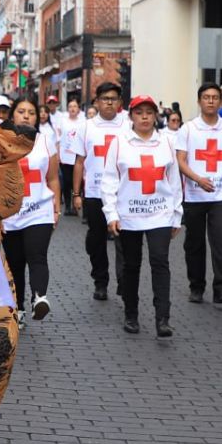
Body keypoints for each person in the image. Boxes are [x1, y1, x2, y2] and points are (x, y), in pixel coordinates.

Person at [101, 95, 183, 338]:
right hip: (129, 215)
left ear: (156, 115)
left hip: (160, 213)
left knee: (160, 262)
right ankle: (131, 313)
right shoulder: (119, 142)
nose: (145, 117)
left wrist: (176, 215)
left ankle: (163, 318)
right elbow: (109, 180)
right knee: (131, 265)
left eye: (149, 112)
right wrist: (111, 214)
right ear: (131, 116)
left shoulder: (167, 142)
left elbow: (174, 181)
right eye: (139, 112)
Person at [176, 83, 222, 304]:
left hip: (221, 196)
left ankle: (221, 286)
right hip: (194, 195)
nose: (210, 101)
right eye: (206, 97)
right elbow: (180, 161)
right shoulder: (188, 129)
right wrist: (197, 179)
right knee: (194, 243)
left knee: (221, 241)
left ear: (221, 101)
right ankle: (196, 286)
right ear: (199, 101)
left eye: (215, 97)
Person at [2, 98, 61, 328]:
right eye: (21, 111)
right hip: (11, 214)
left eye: (31, 112)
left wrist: (56, 207)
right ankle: (19, 309)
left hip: (40, 210)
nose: (26, 116)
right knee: (15, 263)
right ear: (12, 116)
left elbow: (53, 177)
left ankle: (39, 298)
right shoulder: (2, 143)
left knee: (37, 256)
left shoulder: (46, 141)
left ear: (38, 117)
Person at [70, 82, 128, 300]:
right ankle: (100, 281)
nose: (109, 103)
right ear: (97, 101)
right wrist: (77, 194)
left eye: (113, 98)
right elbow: (79, 161)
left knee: (124, 239)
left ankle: (124, 280)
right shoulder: (87, 126)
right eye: (105, 98)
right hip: (95, 193)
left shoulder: (127, 125)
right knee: (97, 240)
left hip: (123, 193)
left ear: (120, 102)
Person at [56, 99, 83, 216]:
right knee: (67, 182)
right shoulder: (62, 121)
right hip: (65, 156)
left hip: (78, 157)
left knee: (77, 182)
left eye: (75, 106)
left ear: (78, 109)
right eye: (70, 106)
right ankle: (67, 206)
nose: (72, 108)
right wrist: (57, 155)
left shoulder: (83, 122)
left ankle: (75, 204)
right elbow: (58, 139)